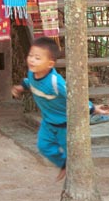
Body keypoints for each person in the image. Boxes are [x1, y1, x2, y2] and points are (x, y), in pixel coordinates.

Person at [12, 36, 109, 181]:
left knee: (73, 153)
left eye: (37, 58)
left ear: (50, 64)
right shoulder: (32, 74)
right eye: (30, 56)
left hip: (65, 124)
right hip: (48, 122)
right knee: (44, 146)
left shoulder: (56, 82)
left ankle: (80, 177)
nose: (32, 60)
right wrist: (20, 87)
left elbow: (74, 97)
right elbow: (29, 83)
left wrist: (93, 108)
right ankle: (64, 164)